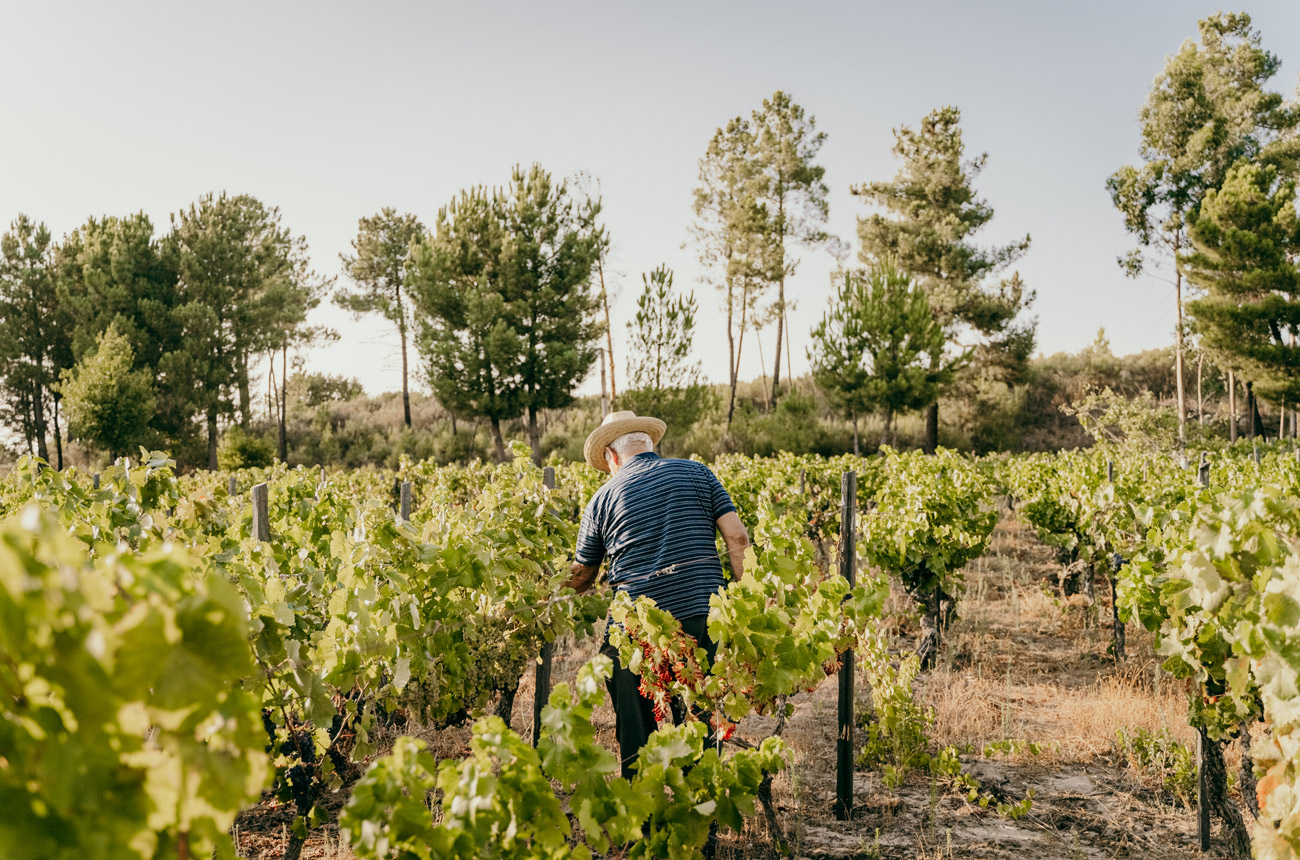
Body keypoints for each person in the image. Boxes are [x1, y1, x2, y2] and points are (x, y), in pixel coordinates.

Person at [562, 410, 749, 779]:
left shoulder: (601, 500)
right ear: (648, 445)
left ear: (613, 457)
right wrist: (744, 606)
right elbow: (738, 539)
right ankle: (702, 819)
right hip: (702, 611)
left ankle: (640, 813)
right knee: (698, 714)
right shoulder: (699, 473)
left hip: (636, 626)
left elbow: (583, 575)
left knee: (635, 725)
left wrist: (549, 584)